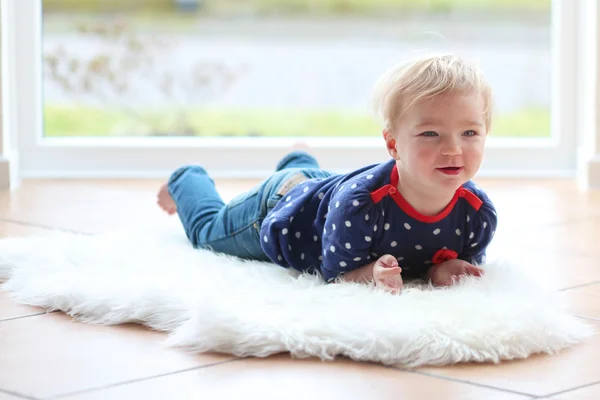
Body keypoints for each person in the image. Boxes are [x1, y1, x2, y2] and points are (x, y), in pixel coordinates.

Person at [157, 53, 497, 294]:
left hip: (323, 191)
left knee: (315, 184)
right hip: (282, 211)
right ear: (392, 145)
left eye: (469, 133)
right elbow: (335, 274)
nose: (453, 149)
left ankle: (298, 161)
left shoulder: (477, 213)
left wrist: (441, 269)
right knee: (206, 232)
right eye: (430, 134)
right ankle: (187, 180)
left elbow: (452, 259)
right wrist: (370, 274)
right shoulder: (360, 207)